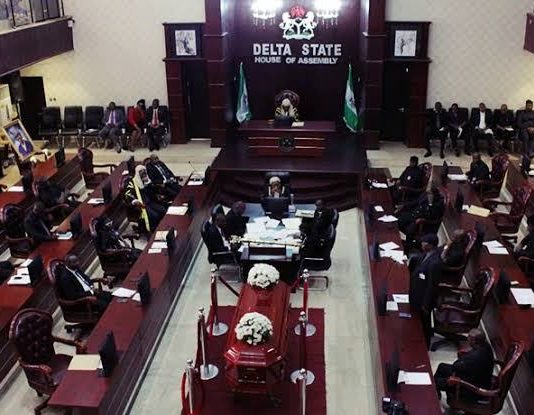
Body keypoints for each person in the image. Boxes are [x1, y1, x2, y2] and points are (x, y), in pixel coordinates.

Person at [434, 328, 494, 401]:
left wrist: (462, 359)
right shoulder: (486, 346)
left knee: (436, 381)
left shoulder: (475, 357)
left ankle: (433, 397)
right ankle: (436, 394)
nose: (467, 339)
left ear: (473, 341)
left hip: (470, 387)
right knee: (442, 366)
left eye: (468, 337)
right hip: (479, 378)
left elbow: (456, 366)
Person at [409, 233, 443, 347]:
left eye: (424, 243)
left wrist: (426, 305)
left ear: (431, 245)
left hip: (424, 299)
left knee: (424, 323)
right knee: (417, 321)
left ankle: (425, 344)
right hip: (417, 292)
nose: (422, 244)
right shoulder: (425, 254)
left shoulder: (435, 263)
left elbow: (432, 286)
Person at [124, 165, 167, 232]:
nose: (143, 172)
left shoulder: (147, 180)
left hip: (150, 202)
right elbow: (128, 194)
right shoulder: (132, 182)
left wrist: (149, 184)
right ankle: (154, 230)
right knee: (155, 215)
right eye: (141, 171)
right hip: (142, 204)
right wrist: (135, 201)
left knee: (163, 210)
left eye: (144, 170)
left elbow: (153, 191)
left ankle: (162, 227)